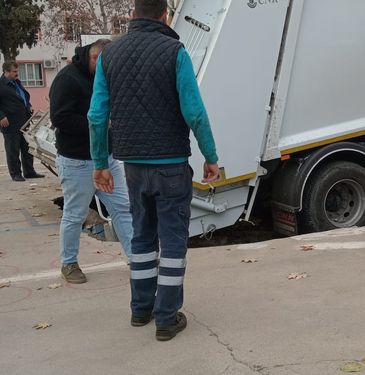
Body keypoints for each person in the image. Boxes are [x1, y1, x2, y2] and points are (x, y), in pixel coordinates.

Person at [89, 0, 220, 341]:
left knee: (143, 237)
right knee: (173, 242)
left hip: (132, 166)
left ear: (133, 15)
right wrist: (211, 156)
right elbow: (195, 112)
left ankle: (140, 309)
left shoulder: (108, 56)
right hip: (171, 165)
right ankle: (166, 317)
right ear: (165, 15)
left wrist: (101, 164)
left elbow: (96, 116)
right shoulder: (175, 52)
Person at [49, 40, 133, 284]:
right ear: (91, 56)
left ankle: (136, 257)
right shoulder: (68, 80)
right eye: (101, 60)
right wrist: (97, 124)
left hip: (106, 159)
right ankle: (69, 263)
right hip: (77, 162)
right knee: (75, 215)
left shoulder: (105, 78)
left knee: (123, 209)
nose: (106, 66)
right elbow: (60, 119)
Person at [0, 62, 44, 181]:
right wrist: (1, 116)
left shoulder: (16, 82)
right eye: (14, 71)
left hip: (24, 120)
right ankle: (15, 174)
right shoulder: (1, 84)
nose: (17, 74)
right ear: (6, 72)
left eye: (17, 71)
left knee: (27, 148)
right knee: (12, 149)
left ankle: (29, 171)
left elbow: (22, 97)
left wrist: (28, 105)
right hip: (9, 123)